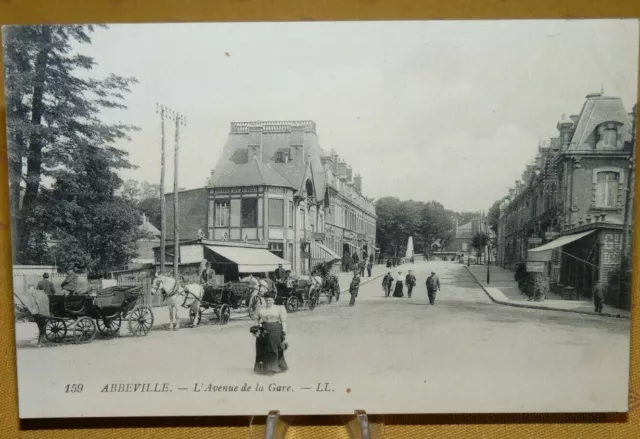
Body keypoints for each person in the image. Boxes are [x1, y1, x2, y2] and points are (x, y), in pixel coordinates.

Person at [252, 291, 288, 375]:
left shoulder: (279, 308)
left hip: (275, 329)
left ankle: (273, 368)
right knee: (262, 348)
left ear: (273, 300)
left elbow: (284, 320)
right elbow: (256, 319)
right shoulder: (260, 308)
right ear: (264, 300)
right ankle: (262, 368)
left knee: (273, 348)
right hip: (264, 329)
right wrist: (256, 328)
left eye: (270, 300)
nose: (268, 302)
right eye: (267, 300)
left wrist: (284, 331)